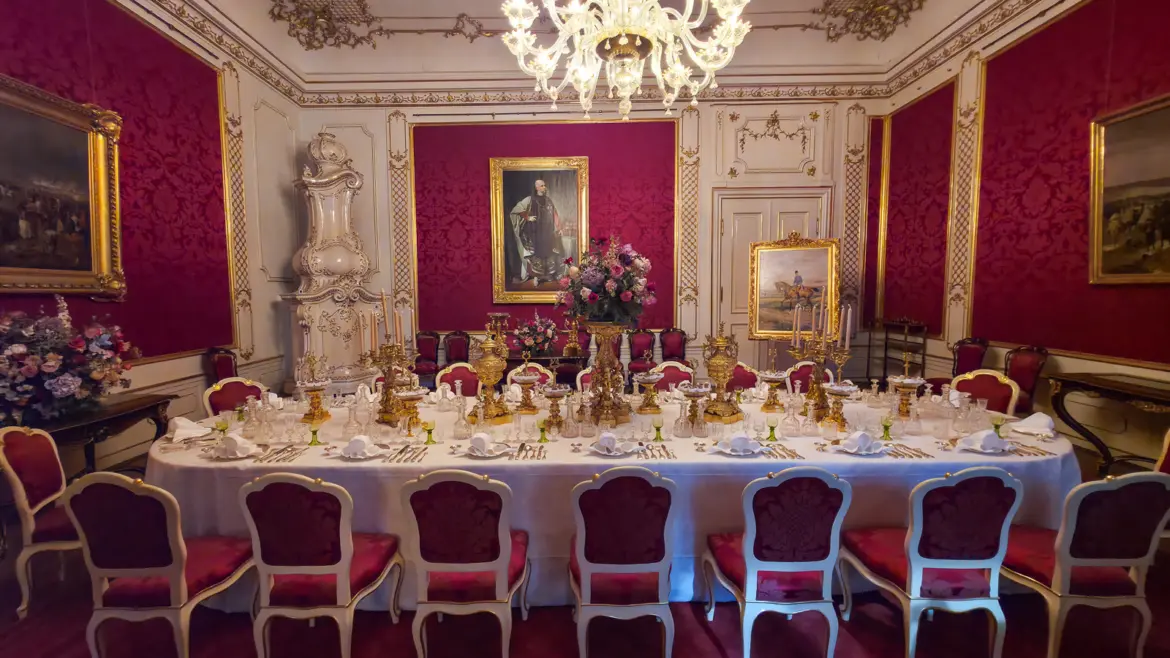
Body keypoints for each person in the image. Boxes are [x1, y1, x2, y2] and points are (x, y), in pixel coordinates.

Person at [509, 179, 563, 285]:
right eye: (542, 186)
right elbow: (517, 209)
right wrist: (527, 217)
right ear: (537, 187)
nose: (544, 187)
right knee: (535, 254)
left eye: (545, 185)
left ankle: (546, 276)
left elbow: (555, 214)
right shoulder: (529, 199)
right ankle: (536, 276)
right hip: (533, 232)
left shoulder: (548, 200)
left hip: (547, 232)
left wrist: (559, 227)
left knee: (547, 253)